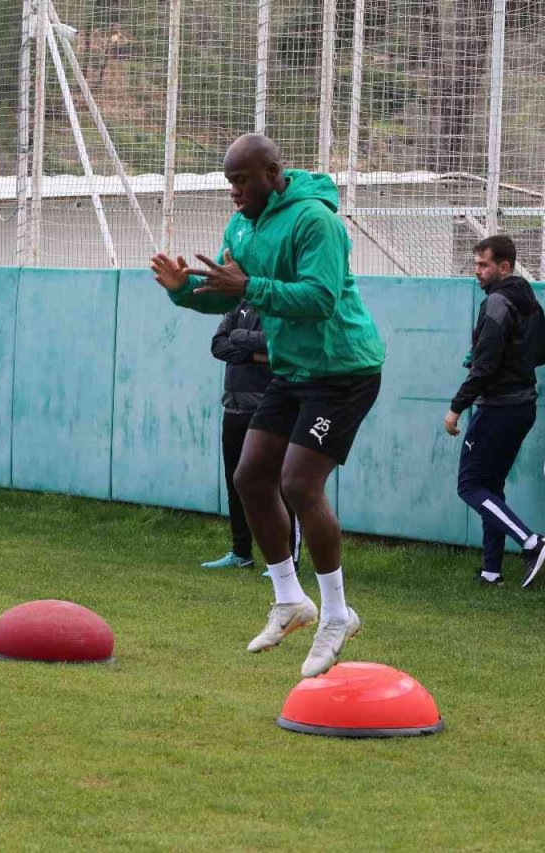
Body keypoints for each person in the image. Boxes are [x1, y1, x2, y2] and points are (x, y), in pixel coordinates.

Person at [151, 133, 386, 678]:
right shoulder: (242, 226)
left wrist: (251, 284)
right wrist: (182, 289)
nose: (233, 192)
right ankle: (289, 600)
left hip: (343, 370)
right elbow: (234, 293)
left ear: (272, 173)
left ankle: (336, 613)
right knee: (252, 477)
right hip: (293, 370)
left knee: (300, 484)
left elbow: (320, 298)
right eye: (228, 182)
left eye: (241, 181)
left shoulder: (315, 221)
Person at [445, 235, 545, 588]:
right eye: (476, 264)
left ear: (504, 267)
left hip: (498, 409)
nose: (477, 271)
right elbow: (541, 355)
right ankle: (492, 571)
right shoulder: (529, 302)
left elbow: (485, 367)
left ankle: (531, 542)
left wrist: (456, 407)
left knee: (469, 486)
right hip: (523, 407)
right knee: (491, 487)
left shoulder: (496, 303)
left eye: (483, 265)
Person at [202, 300, 301, 572]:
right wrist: (252, 353)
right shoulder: (238, 306)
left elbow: (276, 343)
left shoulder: (280, 304)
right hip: (233, 408)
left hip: (269, 410)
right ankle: (241, 553)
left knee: (279, 486)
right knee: (237, 481)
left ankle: (287, 560)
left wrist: (238, 336)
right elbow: (217, 345)